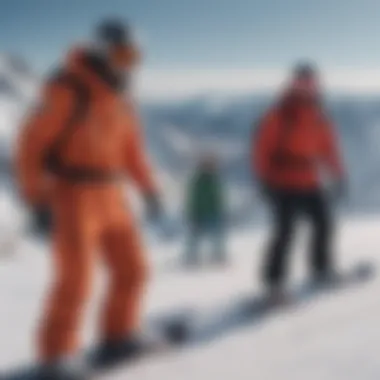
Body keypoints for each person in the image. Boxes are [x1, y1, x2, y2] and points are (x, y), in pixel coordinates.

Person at [16, 19, 161, 377]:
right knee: (77, 279)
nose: (130, 62)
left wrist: (148, 188)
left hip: (112, 194)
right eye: (123, 53)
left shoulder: (123, 97)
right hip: (74, 194)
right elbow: (30, 146)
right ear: (101, 50)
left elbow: (131, 152)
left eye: (135, 55)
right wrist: (36, 198)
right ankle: (57, 356)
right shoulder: (68, 89)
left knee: (133, 269)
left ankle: (119, 334)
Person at [252, 63, 346, 301]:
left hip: (310, 180)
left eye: (311, 84)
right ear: (293, 85)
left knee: (324, 224)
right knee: (285, 232)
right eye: (302, 84)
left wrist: (338, 174)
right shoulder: (278, 115)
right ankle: (274, 284)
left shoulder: (319, 117)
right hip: (282, 182)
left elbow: (328, 149)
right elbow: (262, 149)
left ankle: (321, 269)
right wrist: (263, 179)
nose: (307, 89)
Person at [184, 153, 226, 267]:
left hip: (213, 213)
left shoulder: (214, 180)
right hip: (200, 213)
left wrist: (221, 210)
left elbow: (218, 197)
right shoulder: (198, 181)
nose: (211, 167)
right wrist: (193, 212)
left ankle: (219, 257)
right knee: (195, 238)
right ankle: (191, 258)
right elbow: (193, 198)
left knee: (217, 236)